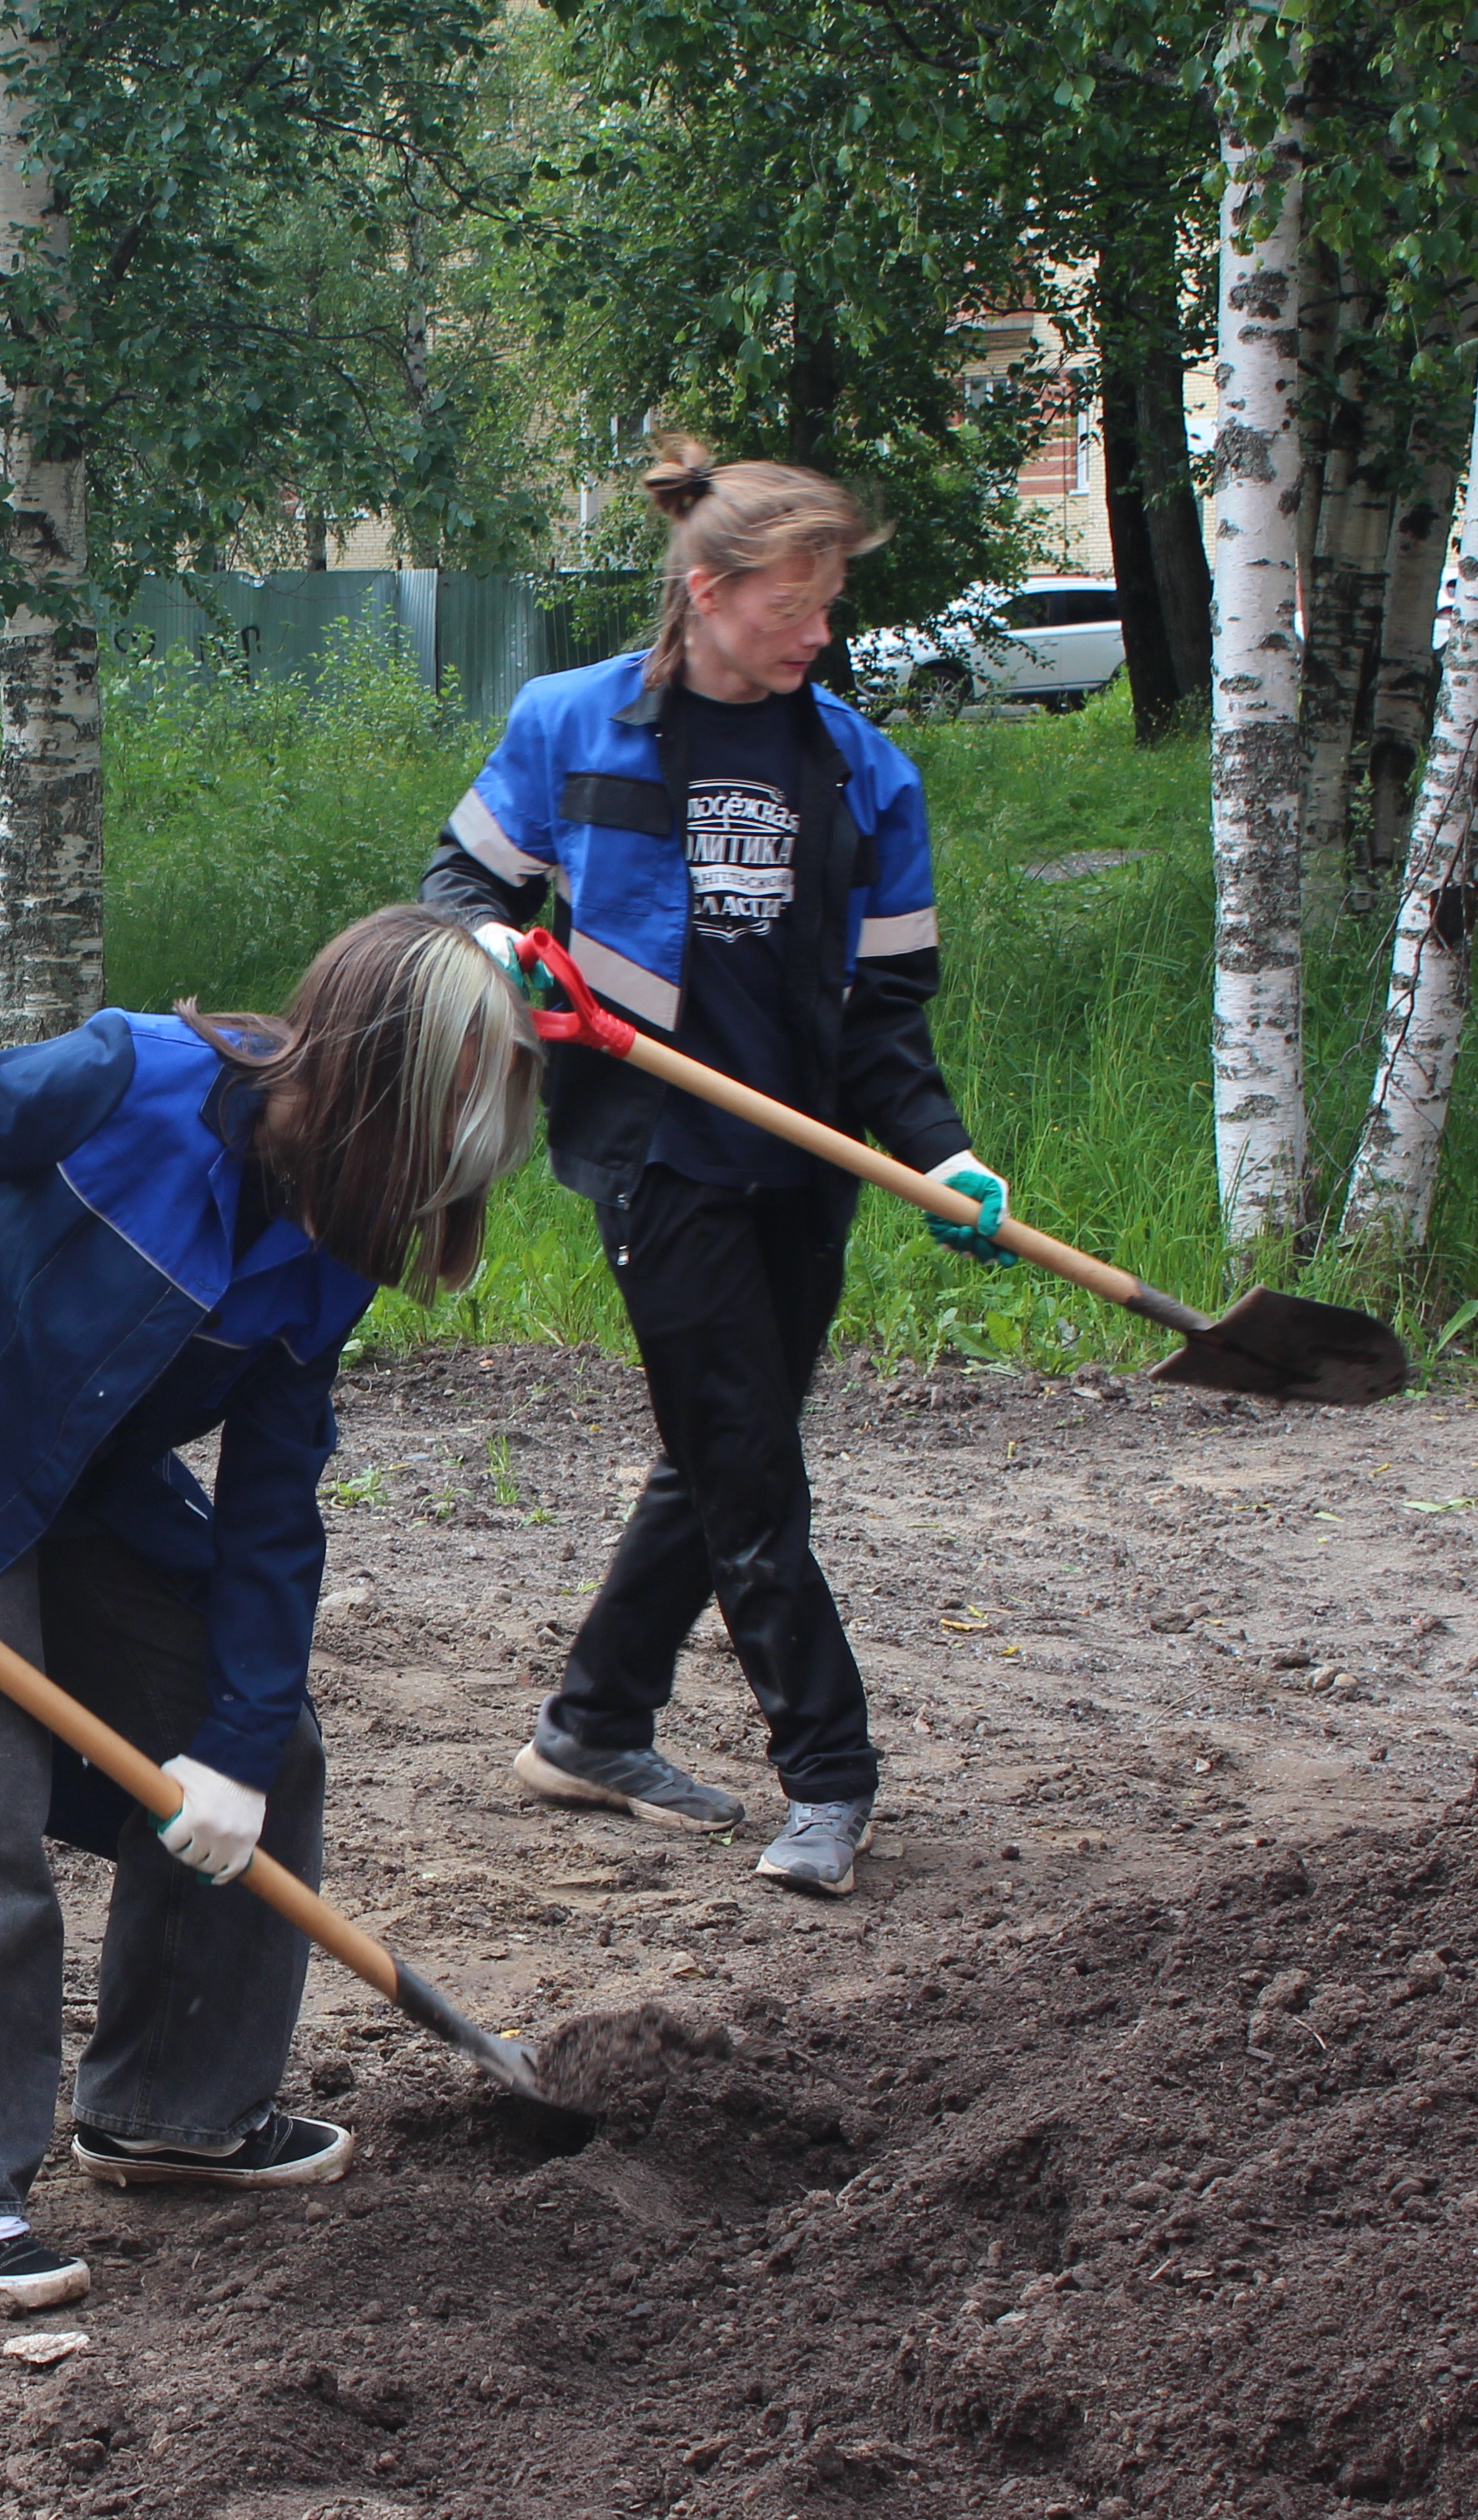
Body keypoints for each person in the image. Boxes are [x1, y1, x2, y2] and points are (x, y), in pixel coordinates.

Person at [0, 914, 543, 2314]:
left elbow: (271, 1508)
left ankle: (174, 2111)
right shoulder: (122, 1083)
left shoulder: (340, 1234)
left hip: (80, 1497)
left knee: (262, 1739)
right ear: (381, 1086)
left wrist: (240, 1744)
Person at [416, 438, 1013, 1900]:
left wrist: (944, 1155)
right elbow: (459, 886)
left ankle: (593, 1725)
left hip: (801, 1161)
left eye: (828, 609)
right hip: (652, 1147)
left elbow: (886, 1021)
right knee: (750, 1463)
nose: (822, 635)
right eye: (795, 607)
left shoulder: (863, 773)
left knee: (715, 1448)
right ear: (708, 590)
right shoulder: (574, 725)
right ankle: (831, 1775)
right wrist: (501, 951)